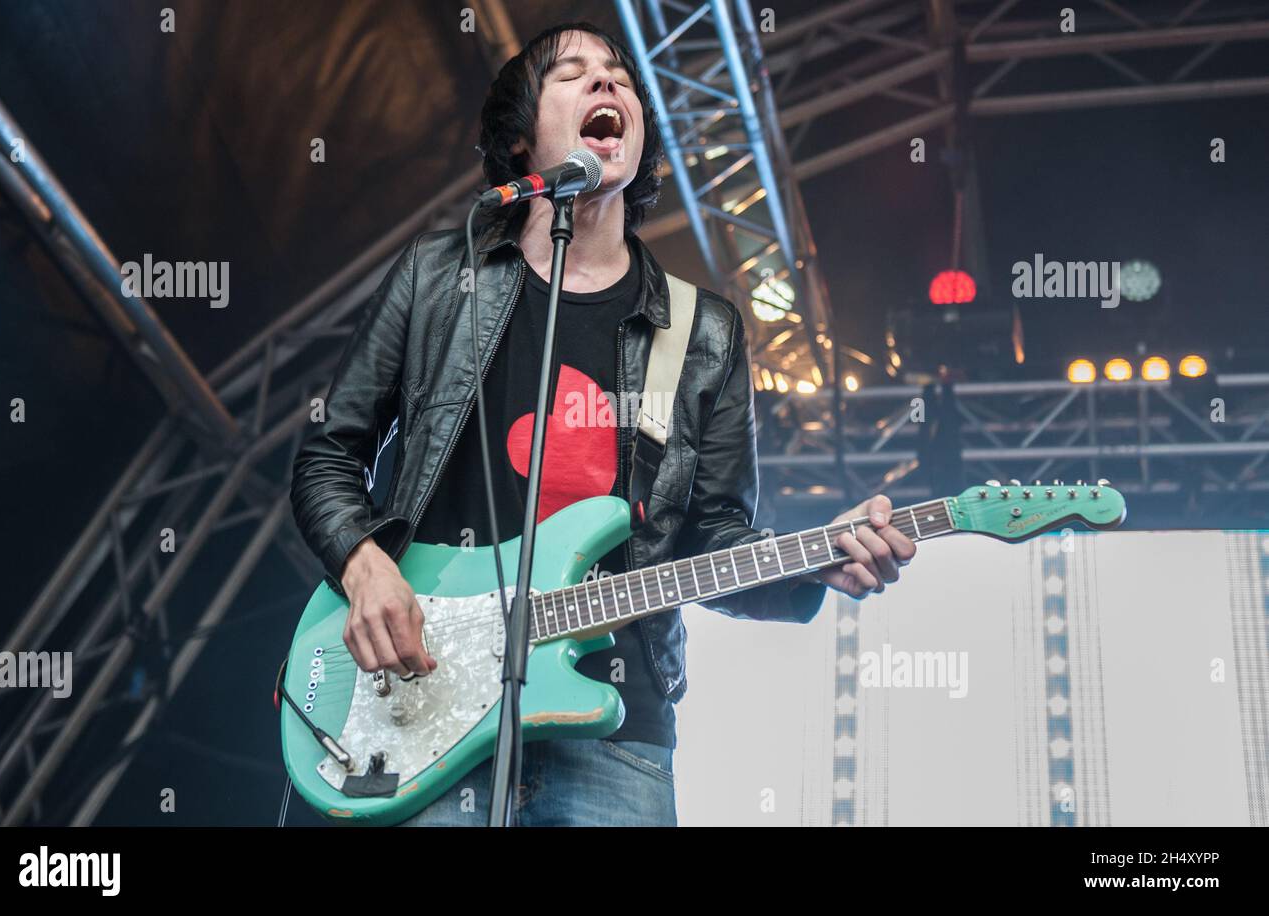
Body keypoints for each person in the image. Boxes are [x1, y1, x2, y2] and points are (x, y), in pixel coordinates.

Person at [289, 21, 915, 826]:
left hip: (615, 731)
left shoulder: (703, 332)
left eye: (620, 75)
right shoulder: (441, 278)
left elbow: (713, 534)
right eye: (573, 74)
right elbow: (327, 457)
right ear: (522, 141)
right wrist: (366, 566)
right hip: (422, 701)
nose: (608, 84)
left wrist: (813, 561)